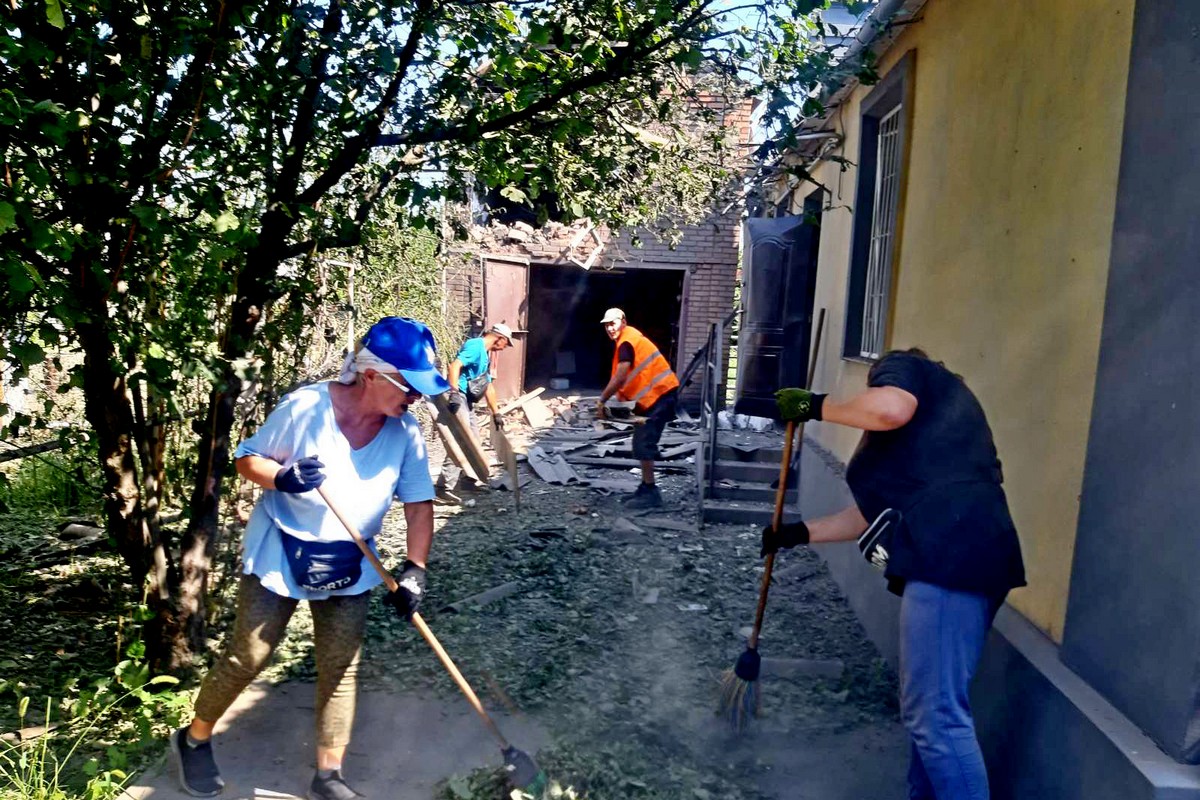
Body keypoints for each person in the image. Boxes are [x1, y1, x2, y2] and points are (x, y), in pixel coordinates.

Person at [169, 317, 451, 800]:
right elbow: (246, 458)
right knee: (249, 656)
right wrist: (282, 478)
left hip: (352, 555)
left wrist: (415, 570)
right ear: (372, 375)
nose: (416, 398)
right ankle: (193, 740)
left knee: (341, 664)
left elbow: (418, 503)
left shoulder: (405, 434)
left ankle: (328, 776)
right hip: (281, 548)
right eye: (410, 385)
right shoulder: (304, 409)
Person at [761, 348, 1024, 800]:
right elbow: (869, 515)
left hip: (950, 555)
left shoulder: (904, 366)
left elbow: (889, 408)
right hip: (970, 551)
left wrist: (814, 405)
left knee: (937, 717)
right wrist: (797, 533)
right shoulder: (928, 443)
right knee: (931, 713)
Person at [596, 308, 680, 509]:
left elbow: (621, 375)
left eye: (613, 323)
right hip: (656, 397)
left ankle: (651, 494)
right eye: (606, 325)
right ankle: (646, 487)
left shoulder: (627, 342)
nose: (609, 328)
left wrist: (602, 400)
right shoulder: (628, 340)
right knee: (641, 442)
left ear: (623, 322)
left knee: (643, 443)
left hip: (660, 396)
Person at [436, 322, 513, 498]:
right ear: (499, 338)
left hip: (468, 400)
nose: (505, 347)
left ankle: (466, 480)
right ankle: (444, 488)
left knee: (474, 440)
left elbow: (488, 386)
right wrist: (453, 392)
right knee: (462, 441)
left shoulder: (485, 355)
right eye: (506, 343)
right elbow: (454, 365)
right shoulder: (475, 346)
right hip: (460, 396)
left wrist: (496, 413)